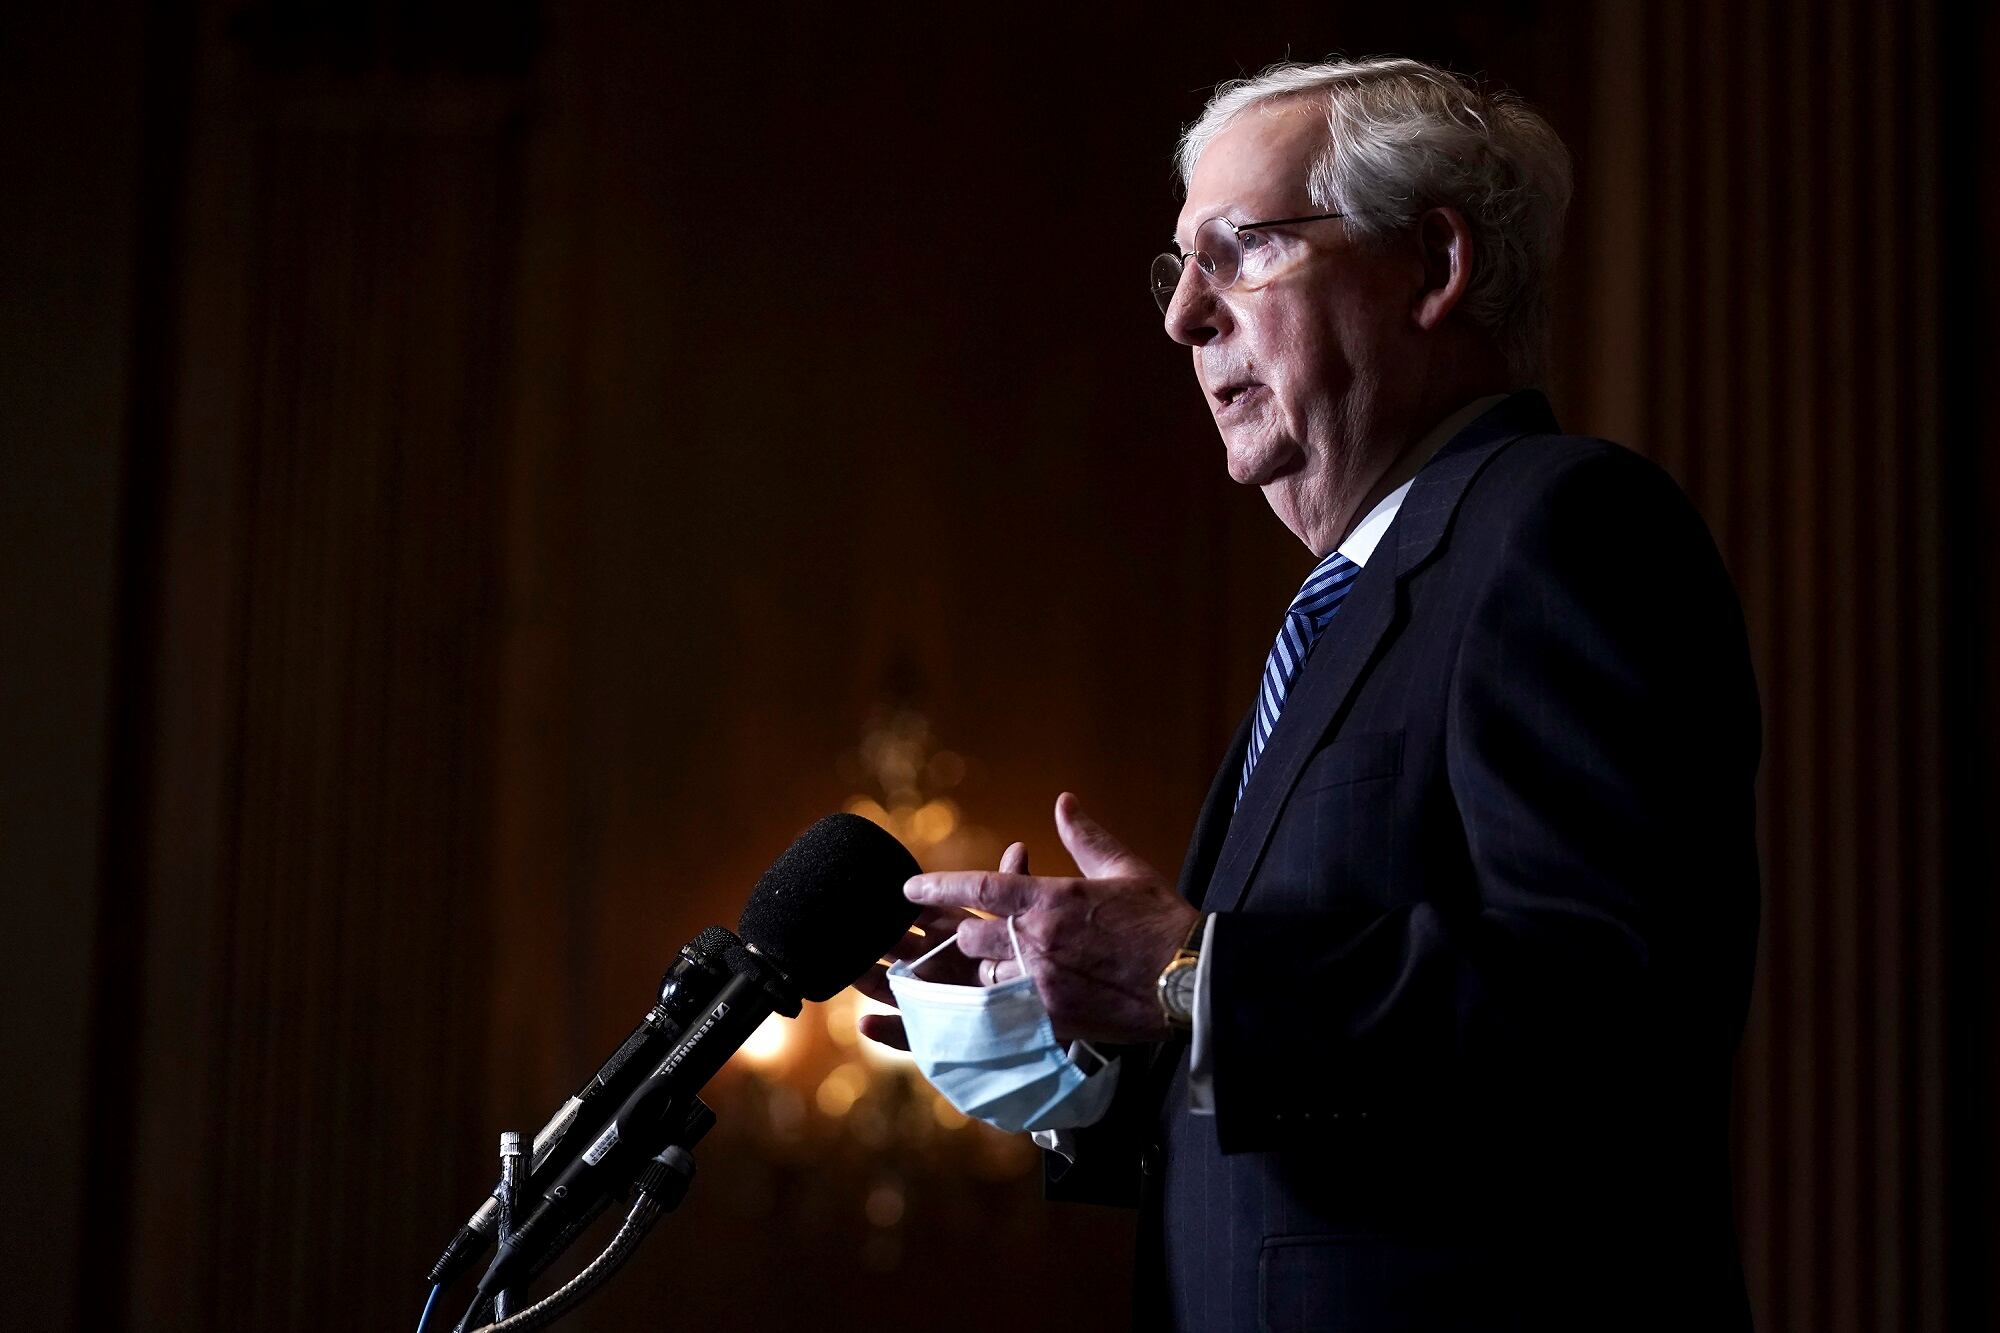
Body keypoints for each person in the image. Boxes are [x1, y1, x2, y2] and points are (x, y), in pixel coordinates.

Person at [858, 56, 1759, 1331]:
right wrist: (1090, 1035)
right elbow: (1329, 1106)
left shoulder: (1560, 527)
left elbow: (1604, 1003)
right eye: (1176, 267)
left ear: (1433, 268)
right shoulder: (1351, 600)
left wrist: (1185, 975)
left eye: (1238, 251)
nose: (1182, 318)